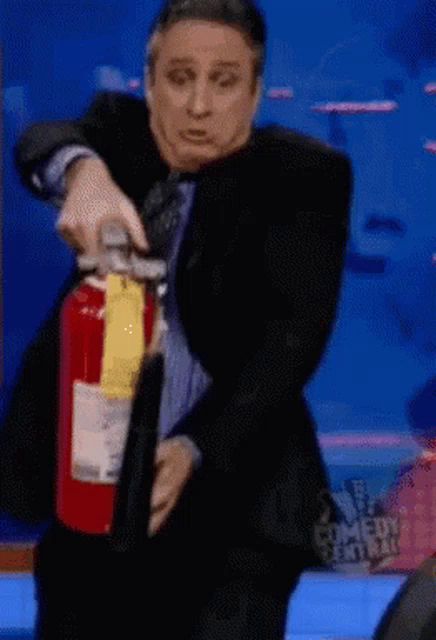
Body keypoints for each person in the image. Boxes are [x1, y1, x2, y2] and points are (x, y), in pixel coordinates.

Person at [4, 0, 353, 637]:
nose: (197, 106)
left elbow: (289, 345)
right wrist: (83, 175)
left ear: (254, 93)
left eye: (223, 82)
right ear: (149, 81)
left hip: (234, 506)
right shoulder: (117, 134)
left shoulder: (306, 177)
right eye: (179, 77)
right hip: (90, 505)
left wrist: (193, 450)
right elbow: (39, 143)